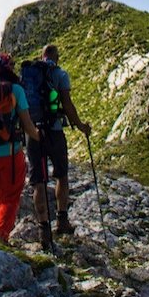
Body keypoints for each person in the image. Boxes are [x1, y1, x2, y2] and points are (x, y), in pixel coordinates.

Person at [28, 43, 92, 246]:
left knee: (38, 181)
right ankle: (62, 221)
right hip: (54, 131)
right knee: (61, 175)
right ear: (56, 56)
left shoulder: (30, 73)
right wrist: (81, 126)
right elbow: (67, 104)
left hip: (33, 133)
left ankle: (43, 230)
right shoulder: (59, 74)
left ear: (42, 54)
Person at [0, 53, 40, 245]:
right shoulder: (16, 90)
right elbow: (28, 125)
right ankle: (0, 235)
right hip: (11, 153)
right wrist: (41, 137)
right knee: (10, 196)